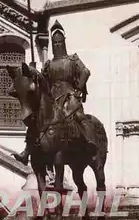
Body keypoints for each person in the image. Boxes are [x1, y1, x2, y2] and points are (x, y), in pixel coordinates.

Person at [13, 20, 97, 165]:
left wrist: (78, 89)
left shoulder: (73, 59)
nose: (57, 44)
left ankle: (90, 141)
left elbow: (85, 71)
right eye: (55, 42)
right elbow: (43, 80)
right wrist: (33, 71)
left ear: (63, 42)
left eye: (59, 42)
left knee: (78, 115)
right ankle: (27, 151)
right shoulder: (48, 64)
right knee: (36, 120)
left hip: (69, 94)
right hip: (52, 96)